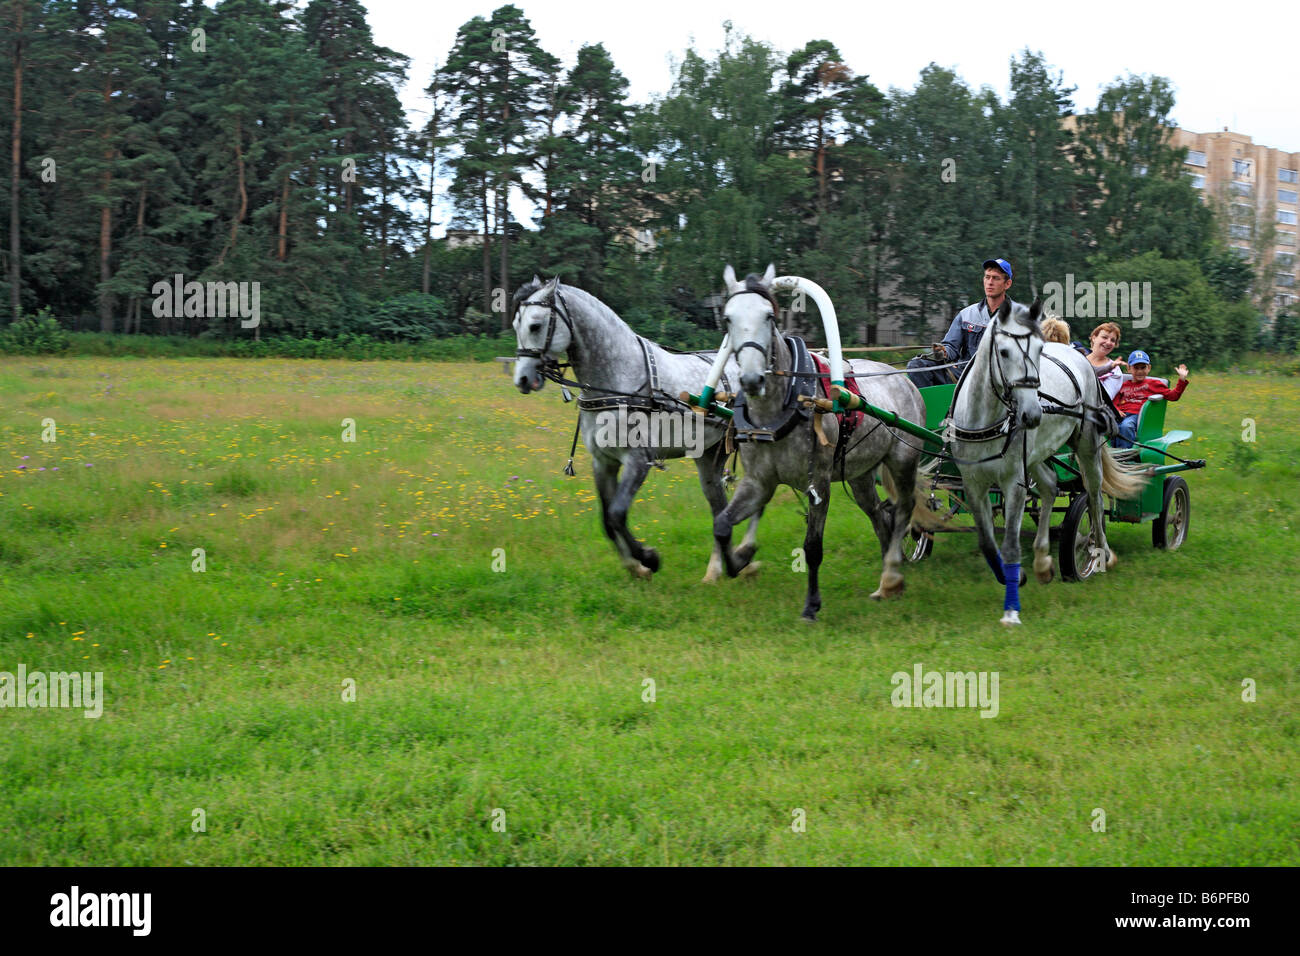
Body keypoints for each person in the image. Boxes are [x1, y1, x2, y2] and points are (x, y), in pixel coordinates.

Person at [907, 258, 1018, 388]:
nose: (990, 282)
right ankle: (933, 408)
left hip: (1000, 379)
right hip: (964, 374)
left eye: (996, 278)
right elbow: (951, 347)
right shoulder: (966, 314)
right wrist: (943, 352)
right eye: (987, 277)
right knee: (917, 365)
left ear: (1007, 284)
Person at [1114, 350, 1189, 448]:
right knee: (1105, 424)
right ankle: (1109, 453)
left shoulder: (1154, 384)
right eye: (1136, 368)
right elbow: (1114, 400)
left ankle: (1124, 455)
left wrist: (1182, 379)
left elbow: (1173, 396)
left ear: (1148, 368)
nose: (1140, 371)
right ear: (1128, 368)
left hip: (1136, 416)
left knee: (1126, 426)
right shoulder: (1123, 385)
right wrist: (1116, 410)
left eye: (1143, 367)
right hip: (1120, 414)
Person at [1085, 321, 1127, 399]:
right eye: (1104, 337)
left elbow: (1105, 398)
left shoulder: (1115, 371)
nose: (1108, 342)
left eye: (1113, 340)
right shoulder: (1078, 359)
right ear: (1094, 338)